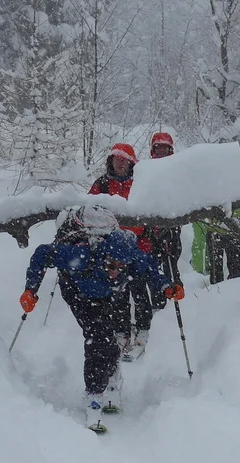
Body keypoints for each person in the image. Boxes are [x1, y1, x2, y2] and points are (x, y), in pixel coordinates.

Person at [19, 205, 184, 433]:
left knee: (106, 336)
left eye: (121, 267)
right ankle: (94, 396)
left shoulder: (130, 257)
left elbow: (150, 269)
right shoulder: (80, 254)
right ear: (103, 252)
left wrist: (166, 286)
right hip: (77, 291)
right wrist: (31, 289)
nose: (115, 270)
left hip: (107, 294)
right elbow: (41, 254)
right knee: (97, 338)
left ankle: (113, 370)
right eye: (111, 264)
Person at [88, 142, 156, 360]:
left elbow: (153, 212)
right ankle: (122, 331)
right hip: (113, 248)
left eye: (124, 159)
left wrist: (148, 238)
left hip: (138, 244)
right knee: (118, 291)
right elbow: (89, 211)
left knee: (139, 287)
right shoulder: (102, 184)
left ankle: (143, 327)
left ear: (131, 162)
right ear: (111, 161)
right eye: (116, 158)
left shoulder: (141, 184)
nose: (119, 162)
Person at [144, 132, 183, 309]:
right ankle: (158, 298)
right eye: (158, 148)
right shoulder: (145, 169)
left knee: (171, 259)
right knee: (152, 262)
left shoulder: (177, 170)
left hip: (172, 225)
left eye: (164, 148)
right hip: (149, 227)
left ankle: (175, 291)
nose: (161, 152)